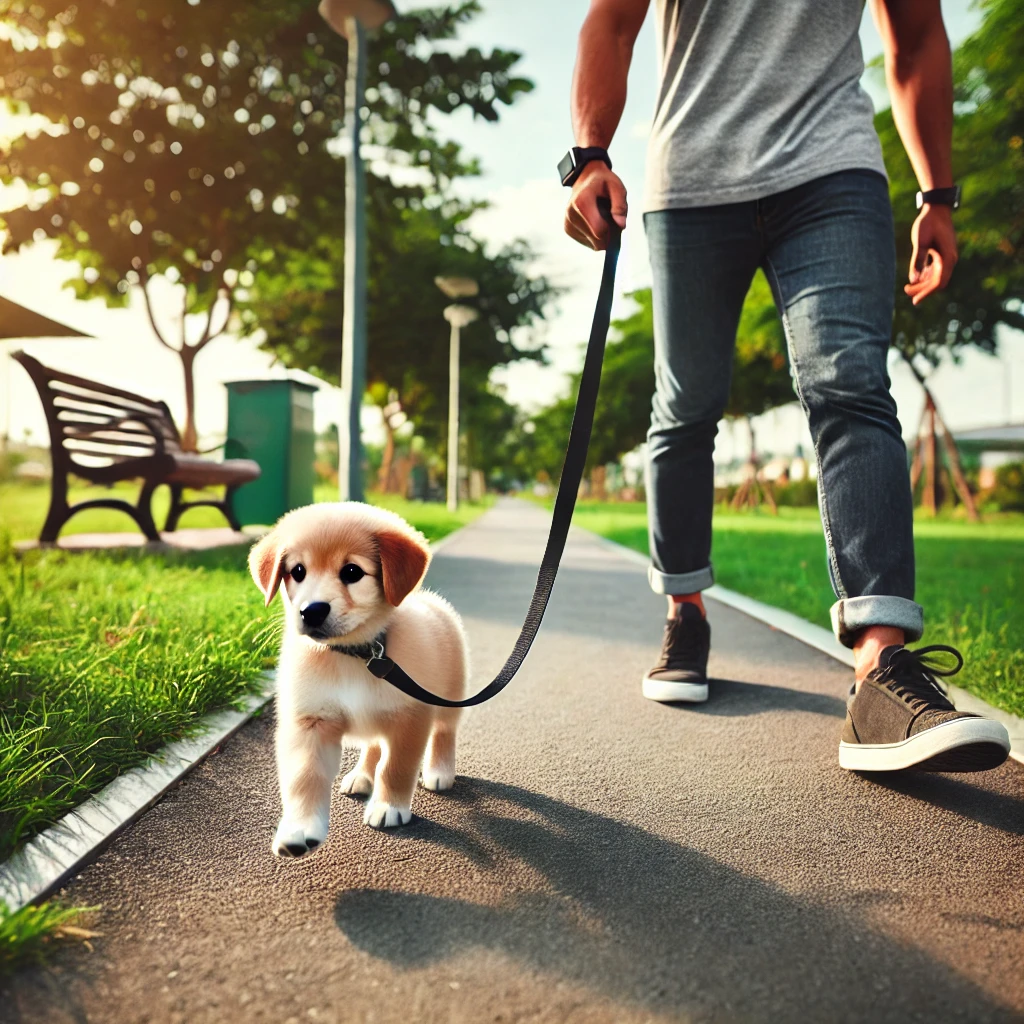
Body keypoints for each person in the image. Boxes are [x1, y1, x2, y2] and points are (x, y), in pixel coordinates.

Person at [561, 0, 1011, 772]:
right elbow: (612, 20)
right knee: (686, 407)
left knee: (849, 383)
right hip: (692, 182)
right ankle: (686, 612)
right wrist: (588, 157)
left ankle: (881, 665)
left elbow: (915, 37)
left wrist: (937, 194)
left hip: (831, 169)